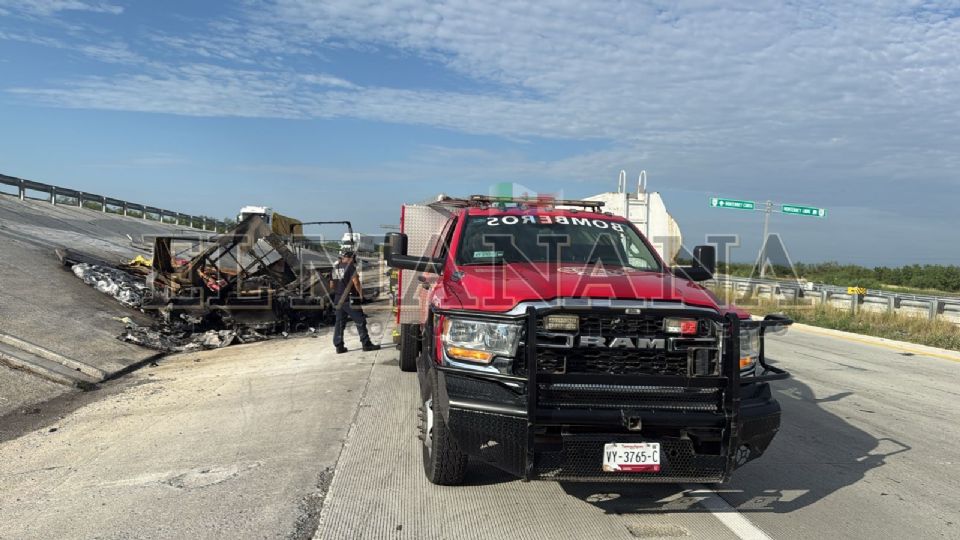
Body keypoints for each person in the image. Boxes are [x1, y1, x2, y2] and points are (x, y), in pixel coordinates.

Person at [330, 250, 380, 354]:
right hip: (350, 299)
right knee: (360, 321)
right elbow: (356, 282)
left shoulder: (335, 268)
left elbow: (331, 285)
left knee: (339, 323)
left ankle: (339, 346)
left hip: (338, 299)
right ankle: (366, 344)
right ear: (350, 258)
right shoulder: (350, 267)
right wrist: (361, 295)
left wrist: (339, 290)